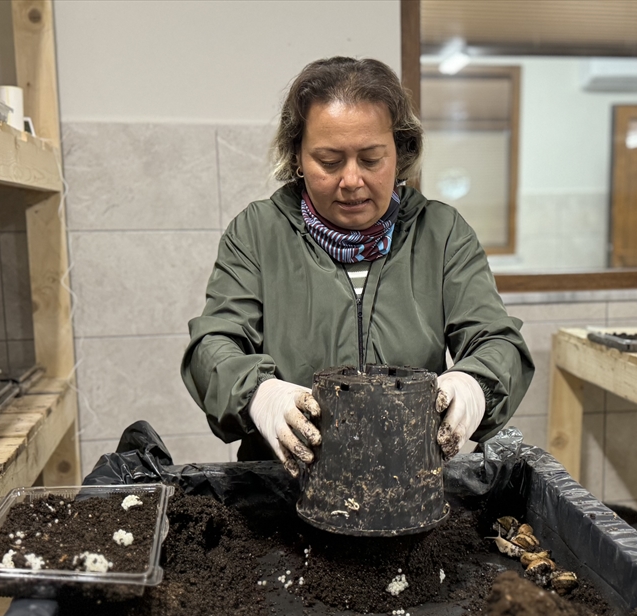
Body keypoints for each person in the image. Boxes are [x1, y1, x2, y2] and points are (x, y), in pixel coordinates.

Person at [181, 57, 534, 476]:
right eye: (329, 161)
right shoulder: (258, 233)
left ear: (400, 154)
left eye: (370, 159)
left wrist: (475, 385)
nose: (351, 181)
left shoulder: (442, 234)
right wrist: (259, 394)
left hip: (409, 484)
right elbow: (212, 344)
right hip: (288, 486)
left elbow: (498, 341)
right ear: (297, 157)